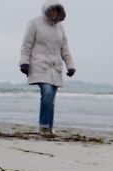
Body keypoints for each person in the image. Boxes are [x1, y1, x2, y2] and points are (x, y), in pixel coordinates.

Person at [19, 1, 75, 135]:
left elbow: (64, 48)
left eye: (56, 10)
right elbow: (27, 44)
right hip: (39, 65)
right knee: (47, 93)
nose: (53, 12)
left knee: (51, 99)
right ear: (46, 10)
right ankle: (44, 125)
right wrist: (24, 63)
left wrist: (70, 66)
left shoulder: (60, 27)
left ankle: (49, 127)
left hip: (55, 67)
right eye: (51, 10)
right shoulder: (34, 23)